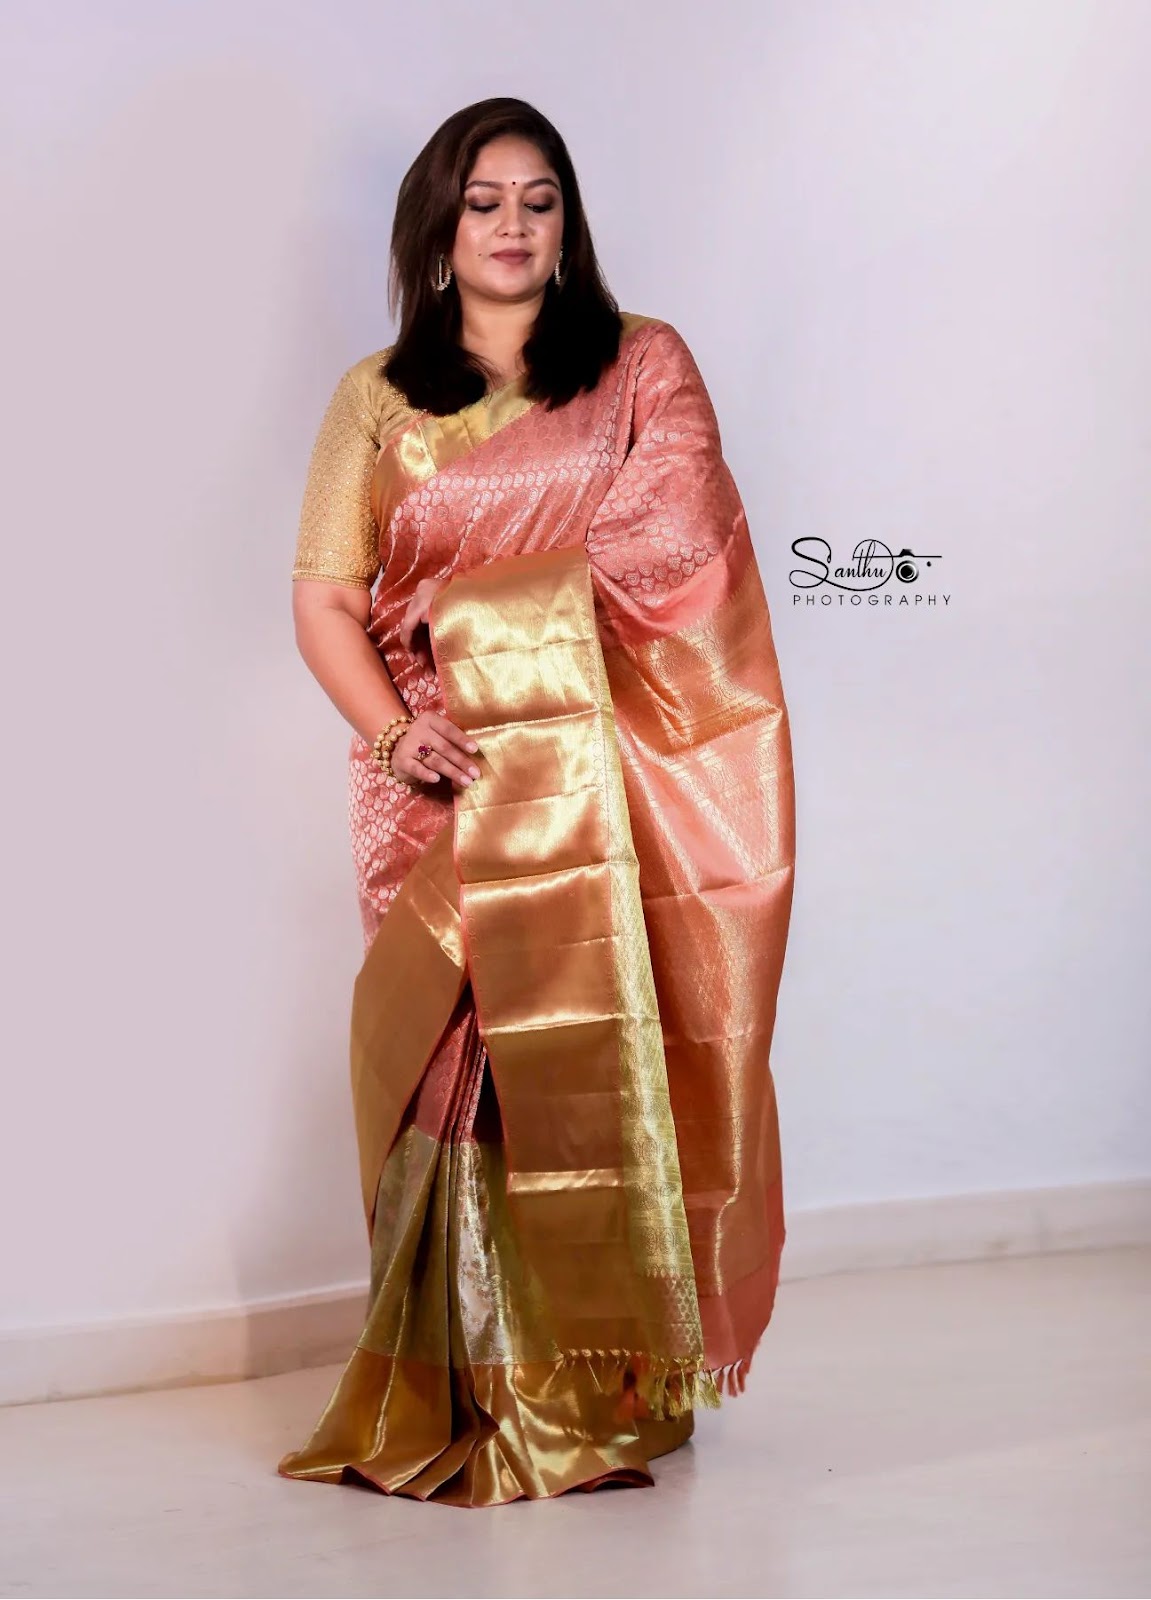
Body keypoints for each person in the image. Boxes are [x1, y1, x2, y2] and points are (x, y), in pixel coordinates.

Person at [277, 96, 797, 1508]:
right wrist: (400, 737)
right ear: (436, 227)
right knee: (454, 1068)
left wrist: (476, 629)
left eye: (539, 199)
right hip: (434, 785)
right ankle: (454, 1390)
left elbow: (677, 550)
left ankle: (589, 1395)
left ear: (570, 223)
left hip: (592, 778)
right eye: (483, 200)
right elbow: (327, 601)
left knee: (582, 1055)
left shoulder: (640, 368)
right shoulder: (377, 398)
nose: (512, 225)